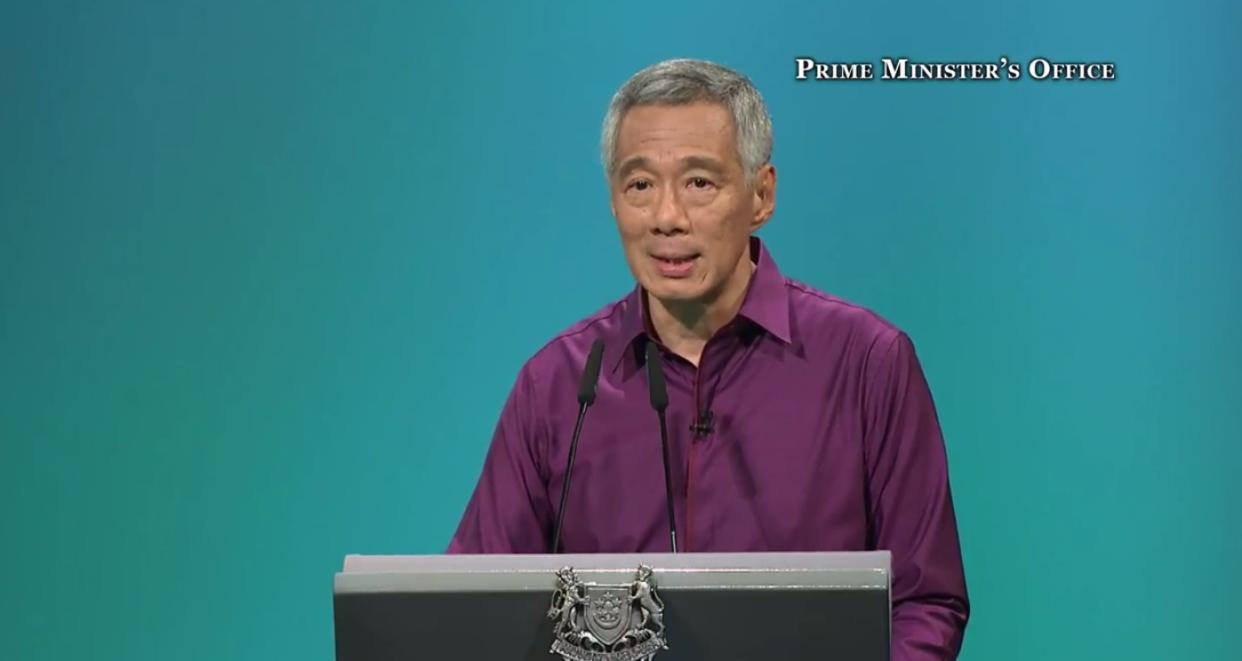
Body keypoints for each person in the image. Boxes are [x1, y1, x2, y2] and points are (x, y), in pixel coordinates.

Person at [446, 58, 969, 660]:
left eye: (699, 183)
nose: (667, 218)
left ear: (761, 195)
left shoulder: (867, 363)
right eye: (639, 185)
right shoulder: (559, 386)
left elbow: (926, 603)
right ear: (614, 202)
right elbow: (473, 604)